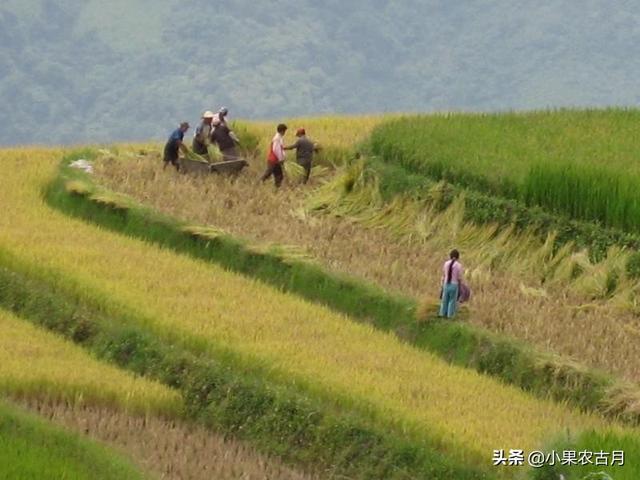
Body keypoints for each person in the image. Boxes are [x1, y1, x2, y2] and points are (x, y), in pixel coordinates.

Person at [261, 123, 287, 187]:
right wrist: (281, 159)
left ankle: (277, 188)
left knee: (279, 175)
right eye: (284, 131)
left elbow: (280, 149)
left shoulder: (279, 138)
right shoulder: (277, 138)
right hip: (273, 160)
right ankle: (259, 183)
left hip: (275, 160)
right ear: (282, 131)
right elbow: (276, 150)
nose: (285, 133)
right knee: (268, 173)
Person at [439, 249, 463, 318]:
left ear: (450, 256)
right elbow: (459, 277)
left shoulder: (446, 263)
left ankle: (442, 314)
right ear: (458, 257)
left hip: (446, 284)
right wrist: (460, 286)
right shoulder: (459, 265)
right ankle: (450, 316)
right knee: (452, 301)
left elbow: (444, 275)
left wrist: (442, 284)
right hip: (454, 285)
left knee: (444, 300)